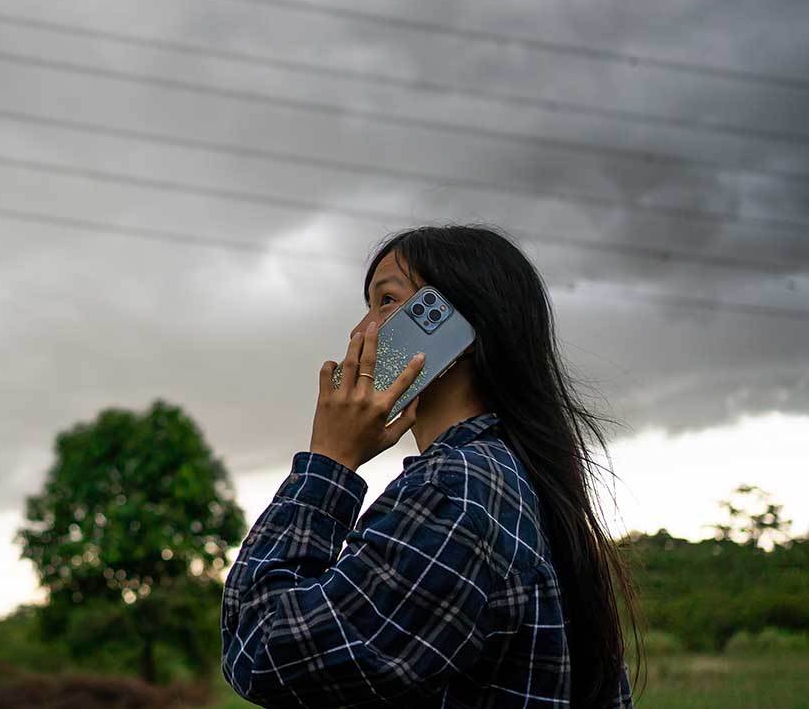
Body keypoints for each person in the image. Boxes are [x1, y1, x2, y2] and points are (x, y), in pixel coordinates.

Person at [221, 224, 644, 707]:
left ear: (456, 329)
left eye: (386, 302)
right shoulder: (524, 481)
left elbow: (261, 649)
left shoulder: (456, 489)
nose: (361, 332)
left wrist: (329, 463)